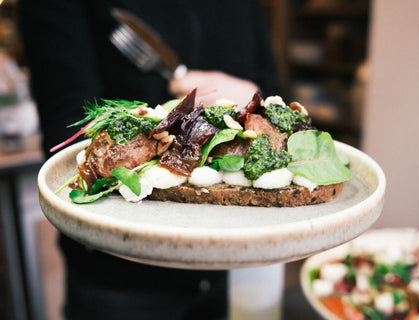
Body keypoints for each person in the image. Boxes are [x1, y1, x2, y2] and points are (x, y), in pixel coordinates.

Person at [18, 1, 280, 319]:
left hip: (229, 262)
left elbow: (277, 95)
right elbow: (69, 124)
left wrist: (255, 96)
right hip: (121, 276)